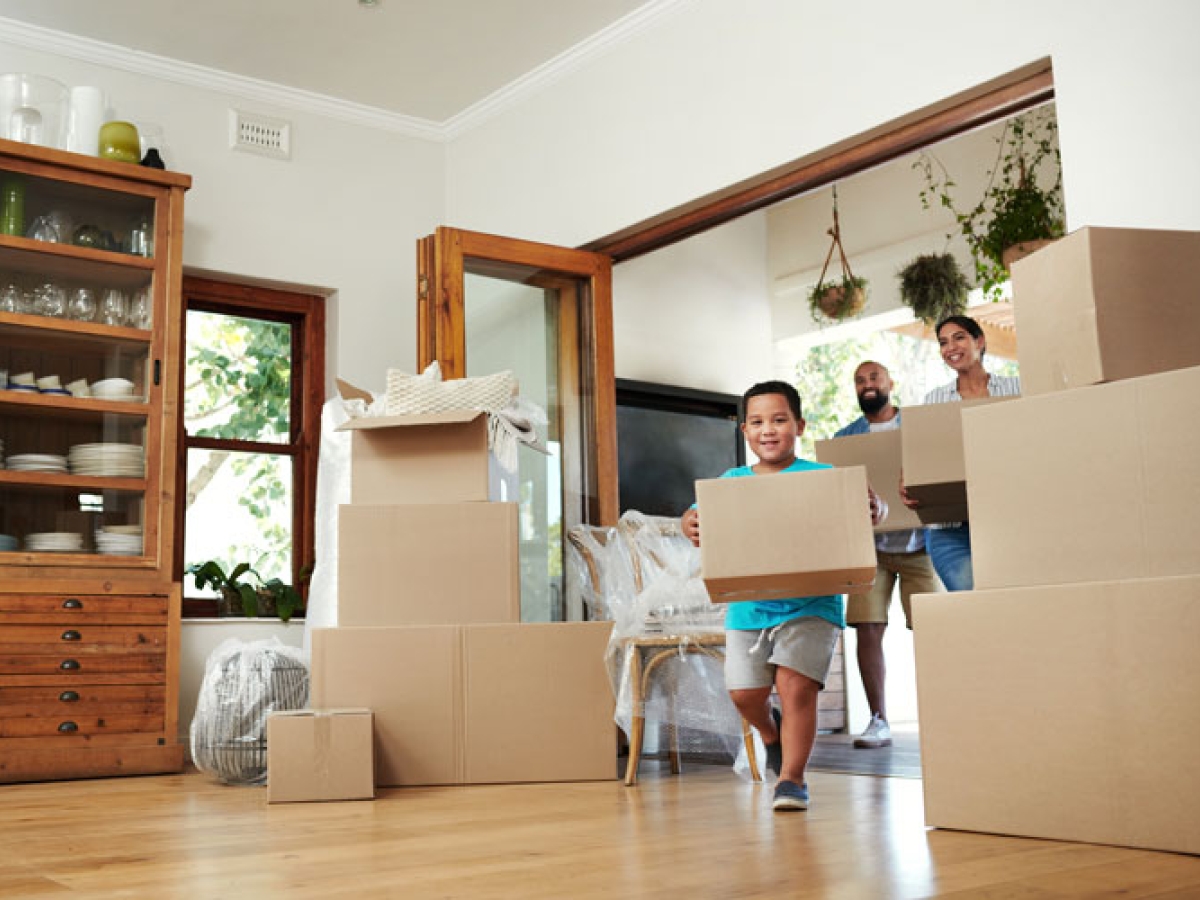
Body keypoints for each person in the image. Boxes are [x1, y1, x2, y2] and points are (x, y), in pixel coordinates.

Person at [681, 380, 885, 812]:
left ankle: (792, 779)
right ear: (744, 432)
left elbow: (868, 510)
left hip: (812, 603)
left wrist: (875, 510)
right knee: (744, 694)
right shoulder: (730, 482)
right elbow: (700, 518)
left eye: (778, 420)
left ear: (799, 425)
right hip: (749, 607)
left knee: (796, 689)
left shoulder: (822, 477)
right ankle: (771, 733)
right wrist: (689, 522)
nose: (768, 430)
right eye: (757, 422)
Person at [834, 361, 941, 750]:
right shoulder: (845, 438)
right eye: (859, 380)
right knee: (868, 627)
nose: (866, 385)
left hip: (920, 545)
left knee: (933, 629)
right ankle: (878, 719)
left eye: (873, 378)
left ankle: (941, 714)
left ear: (890, 383)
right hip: (872, 550)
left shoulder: (915, 428)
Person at [900, 315, 1020, 591]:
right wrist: (909, 479)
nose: (950, 346)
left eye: (959, 337)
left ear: (979, 341)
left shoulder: (1016, 390)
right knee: (972, 601)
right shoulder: (934, 401)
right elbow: (922, 455)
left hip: (1006, 518)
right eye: (943, 342)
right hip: (950, 528)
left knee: (1010, 598)